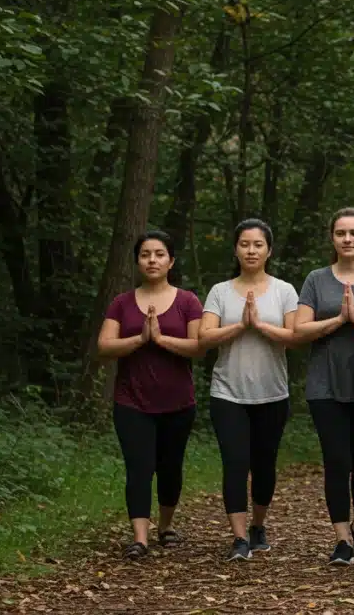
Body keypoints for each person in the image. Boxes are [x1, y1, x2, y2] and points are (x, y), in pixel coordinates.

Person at [97, 230, 203, 560]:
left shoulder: (188, 301)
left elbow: (198, 347)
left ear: (170, 260)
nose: (152, 260)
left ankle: (166, 527)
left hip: (178, 402)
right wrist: (140, 340)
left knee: (170, 468)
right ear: (137, 261)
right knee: (139, 467)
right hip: (132, 401)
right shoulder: (121, 303)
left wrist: (160, 340)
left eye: (159, 254)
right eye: (145, 254)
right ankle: (139, 538)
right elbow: (104, 346)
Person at [198, 218, 300, 562]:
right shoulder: (220, 291)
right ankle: (239, 538)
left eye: (258, 245)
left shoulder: (285, 290)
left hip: (272, 392)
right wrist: (241, 325)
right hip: (228, 392)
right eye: (244, 244)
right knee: (235, 463)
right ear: (236, 249)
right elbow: (205, 336)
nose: (251, 250)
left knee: (265, 465)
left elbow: (295, 337)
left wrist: (259, 325)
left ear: (269, 250)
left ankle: (258, 525)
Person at [293, 207, 354, 567]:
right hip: (324, 383)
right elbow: (300, 330)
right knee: (336, 460)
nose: (347, 239)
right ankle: (342, 538)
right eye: (341, 233)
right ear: (332, 237)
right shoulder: (316, 279)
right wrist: (339, 319)